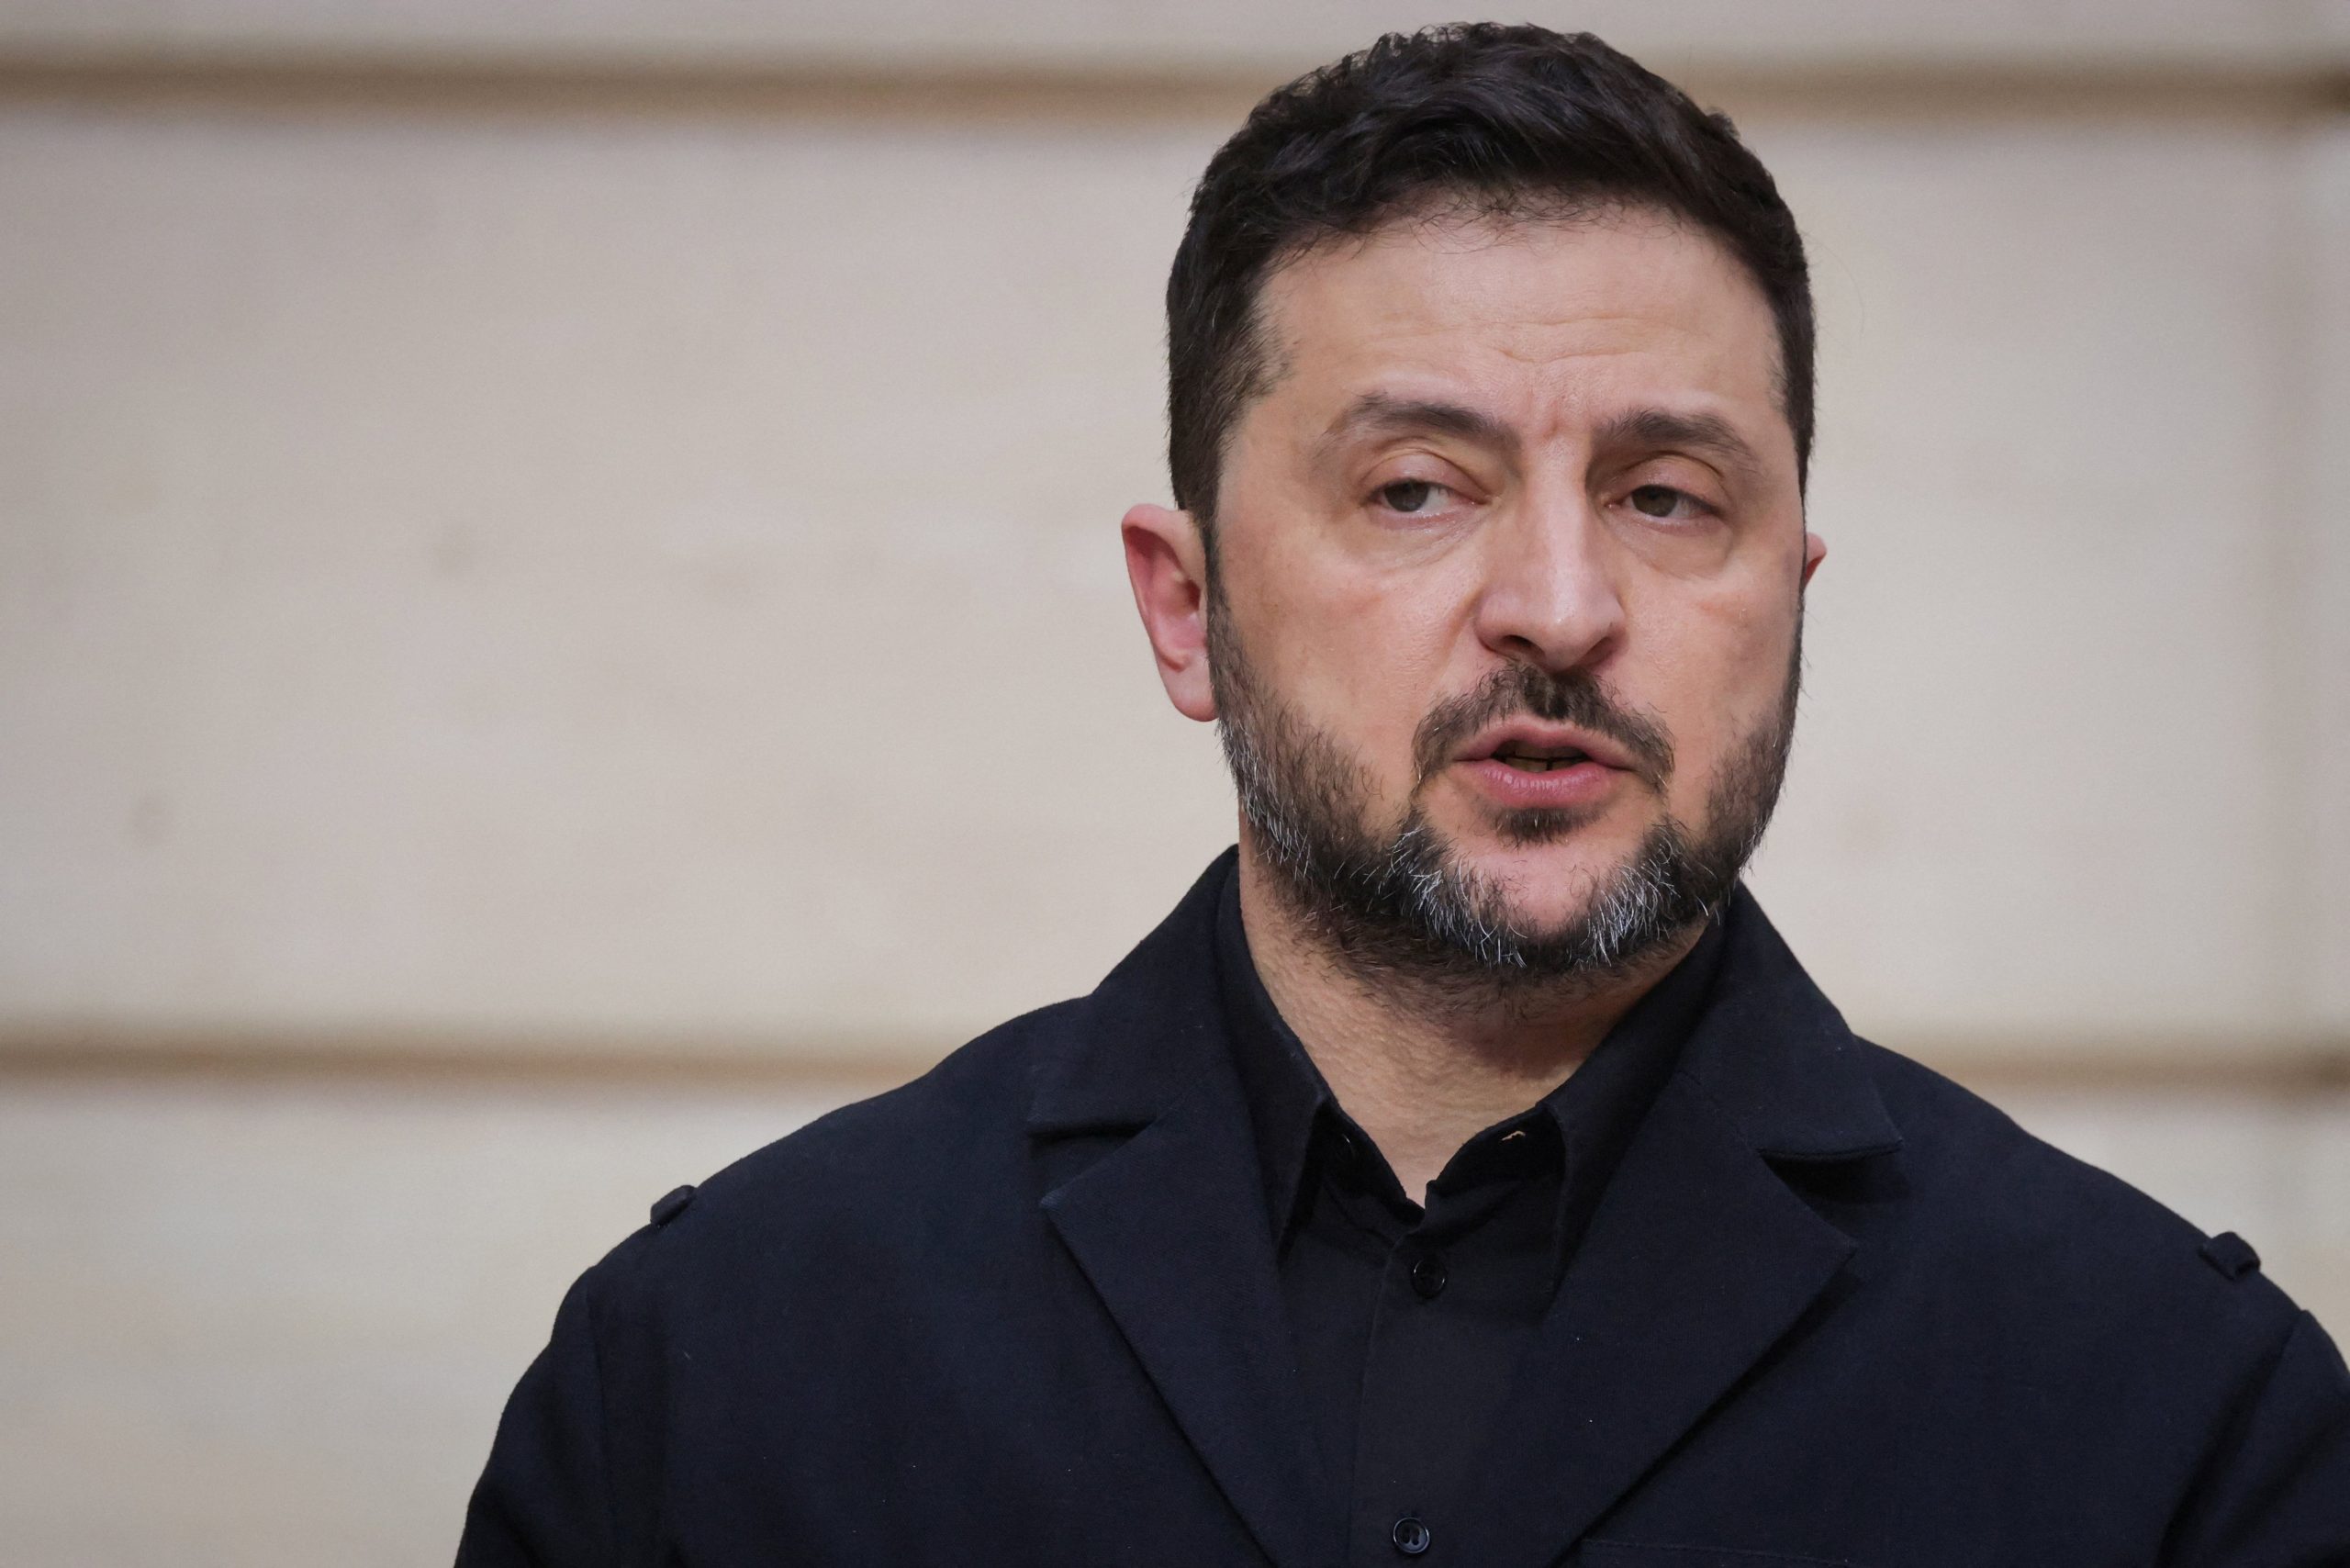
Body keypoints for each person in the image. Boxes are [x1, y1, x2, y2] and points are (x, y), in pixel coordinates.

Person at [457, 25, 2350, 1567]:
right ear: (1187, 606)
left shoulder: (2177, 1419)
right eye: (1415, 489)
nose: (1559, 606)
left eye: (1665, 495)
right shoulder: (717, 1371)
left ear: (1789, 590)